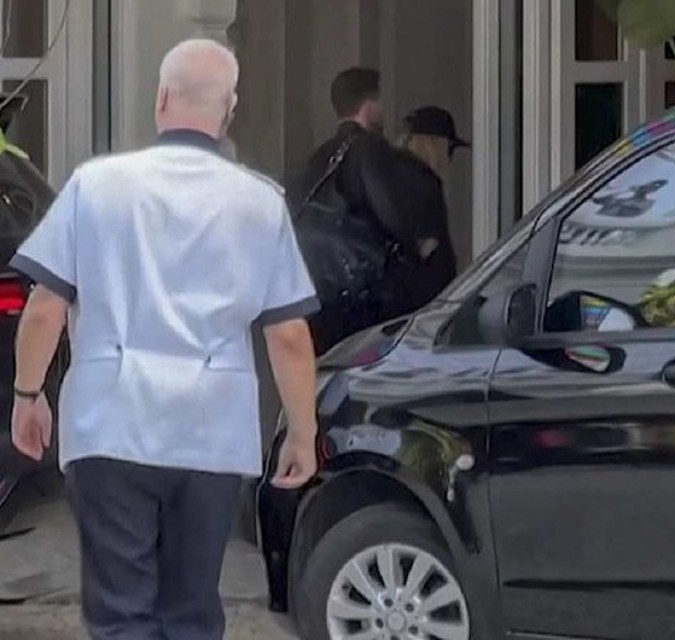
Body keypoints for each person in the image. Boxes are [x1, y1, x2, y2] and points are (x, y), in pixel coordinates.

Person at [9, 39, 320, 639]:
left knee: (121, 613)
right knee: (193, 610)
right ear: (229, 110)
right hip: (211, 432)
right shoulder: (260, 203)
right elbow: (287, 335)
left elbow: (46, 307)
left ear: (160, 99)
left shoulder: (95, 186)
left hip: (110, 423)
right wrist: (302, 430)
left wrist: (28, 395)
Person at [284, 67, 419, 354]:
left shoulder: (320, 155)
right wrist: (415, 245)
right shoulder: (370, 149)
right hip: (363, 297)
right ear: (370, 104)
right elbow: (389, 210)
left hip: (321, 290)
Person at [395, 106, 465, 307]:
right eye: (449, 147)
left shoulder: (392, 177)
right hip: (424, 306)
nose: (449, 157)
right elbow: (425, 247)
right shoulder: (423, 183)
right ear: (433, 144)